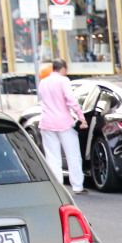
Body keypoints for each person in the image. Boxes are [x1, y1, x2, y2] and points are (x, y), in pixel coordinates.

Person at [37, 58, 87, 194]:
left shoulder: (43, 82)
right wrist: (81, 118)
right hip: (64, 123)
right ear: (64, 69)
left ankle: (58, 189)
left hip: (46, 123)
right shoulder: (64, 81)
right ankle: (77, 187)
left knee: (52, 157)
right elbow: (71, 100)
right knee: (73, 156)